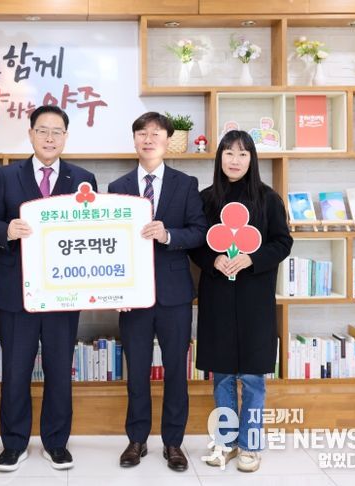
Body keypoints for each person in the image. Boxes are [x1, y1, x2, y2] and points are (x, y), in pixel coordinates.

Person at [0, 105, 97, 472]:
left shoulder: (83, 179)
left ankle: (56, 442)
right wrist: (6, 230)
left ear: (66, 137)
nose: (50, 138)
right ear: (31, 134)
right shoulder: (6, 175)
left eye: (57, 131)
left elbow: (93, 232)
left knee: (59, 370)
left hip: (63, 292)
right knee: (15, 371)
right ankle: (13, 443)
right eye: (43, 130)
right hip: (17, 290)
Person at [107, 112, 207, 472]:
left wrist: (168, 235)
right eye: (142, 133)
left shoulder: (186, 183)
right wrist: (116, 291)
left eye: (155, 133)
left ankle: (173, 442)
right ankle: (136, 439)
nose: (148, 139)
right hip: (132, 295)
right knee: (136, 371)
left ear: (167, 140)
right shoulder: (117, 186)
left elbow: (199, 232)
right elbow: (110, 242)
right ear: (134, 139)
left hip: (174, 294)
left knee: (176, 372)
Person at [190, 130, 293, 472]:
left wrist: (252, 259)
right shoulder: (205, 199)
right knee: (221, 376)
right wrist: (213, 260)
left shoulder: (268, 199)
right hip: (217, 298)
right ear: (219, 157)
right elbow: (195, 244)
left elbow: (283, 242)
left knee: (252, 378)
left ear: (252, 159)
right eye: (229, 153)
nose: (235, 160)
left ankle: (249, 445)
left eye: (243, 154)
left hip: (254, 299)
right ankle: (225, 442)